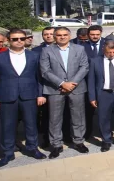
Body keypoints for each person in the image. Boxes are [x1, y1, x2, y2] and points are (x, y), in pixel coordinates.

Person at [0, 29, 47, 167]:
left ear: (25, 39)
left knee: (31, 124)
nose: (19, 41)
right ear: (8, 41)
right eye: (15, 39)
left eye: (21, 38)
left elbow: (39, 78)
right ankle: (8, 153)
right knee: (7, 126)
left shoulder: (34, 56)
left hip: (29, 95)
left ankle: (32, 148)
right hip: (7, 96)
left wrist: (40, 94)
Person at [39, 27, 90, 159]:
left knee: (78, 116)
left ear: (69, 35)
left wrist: (72, 84)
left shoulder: (79, 49)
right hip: (55, 88)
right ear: (55, 37)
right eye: (59, 35)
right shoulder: (46, 50)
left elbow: (84, 67)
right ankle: (56, 145)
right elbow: (45, 71)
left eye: (65, 35)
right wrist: (62, 84)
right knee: (55, 118)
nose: (62, 37)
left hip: (76, 87)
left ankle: (79, 141)